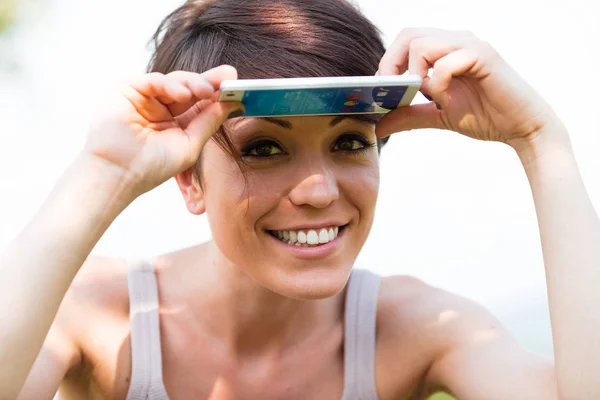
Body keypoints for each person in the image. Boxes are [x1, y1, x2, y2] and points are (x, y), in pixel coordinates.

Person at [1, 0, 598, 399]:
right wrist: (100, 173)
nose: (319, 190)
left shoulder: (412, 327)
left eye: (348, 142)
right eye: (263, 149)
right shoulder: (98, 320)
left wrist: (542, 143)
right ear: (189, 178)